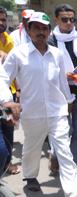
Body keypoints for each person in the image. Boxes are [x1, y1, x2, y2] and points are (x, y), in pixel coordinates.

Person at [2, 12, 77, 197]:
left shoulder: (57, 54)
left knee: (65, 152)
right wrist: (6, 100)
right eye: (36, 28)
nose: (41, 32)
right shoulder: (19, 54)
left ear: (49, 31)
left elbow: (62, 82)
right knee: (32, 148)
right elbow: (3, 77)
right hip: (31, 112)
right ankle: (31, 176)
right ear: (29, 30)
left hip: (57, 111)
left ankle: (72, 196)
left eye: (44, 28)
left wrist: (68, 100)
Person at [48, 4, 77, 183]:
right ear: (56, 20)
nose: (69, 23)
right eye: (64, 19)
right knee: (63, 132)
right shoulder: (50, 41)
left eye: (71, 20)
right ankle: (55, 155)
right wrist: (62, 75)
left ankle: (73, 169)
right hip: (58, 94)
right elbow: (45, 68)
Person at [0, 6, 20, 175]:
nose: (1, 23)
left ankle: (7, 163)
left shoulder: (9, 40)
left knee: (8, 128)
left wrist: (17, 90)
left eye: (3, 19)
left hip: (8, 93)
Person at [0, 64, 21, 176]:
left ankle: (7, 163)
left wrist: (7, 105)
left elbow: (3, 79)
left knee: (4, 150)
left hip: (4, 102)